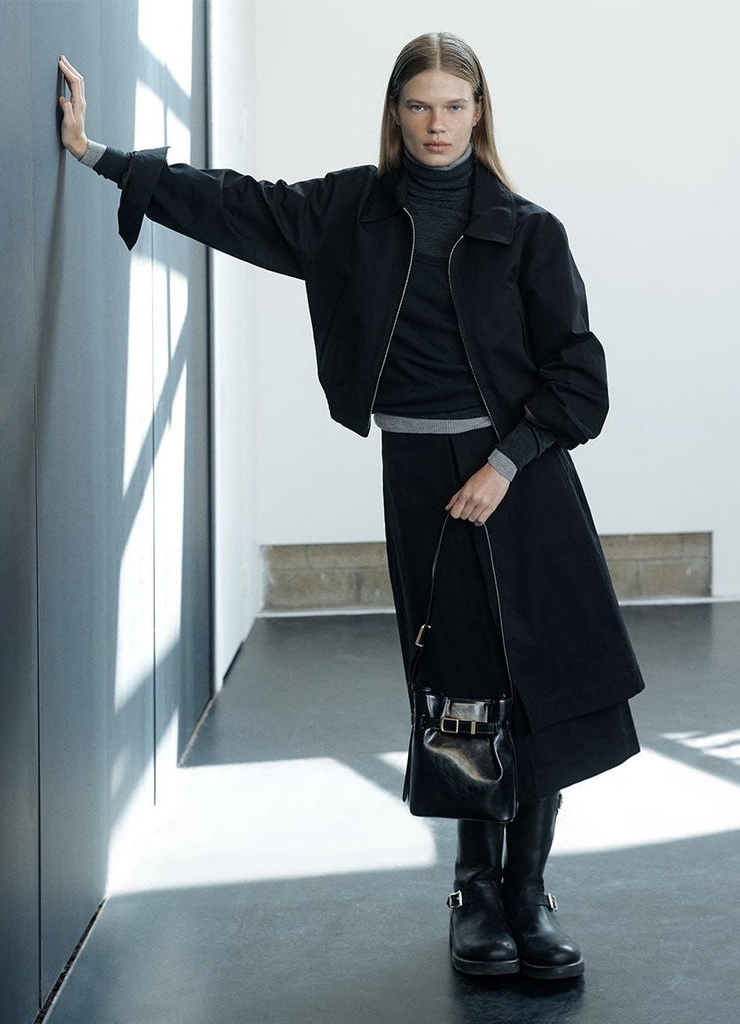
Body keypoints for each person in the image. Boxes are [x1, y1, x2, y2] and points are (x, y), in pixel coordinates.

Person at [58, 33, 644, 982]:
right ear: (395, 113)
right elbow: (233, 203)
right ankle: (477, 896)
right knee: (458, 686)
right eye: (420, 105)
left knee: (541, 683)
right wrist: (99, 157)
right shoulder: (349, 213)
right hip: (421, 479)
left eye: (454, 105)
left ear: (480, 113)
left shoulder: (530, 231)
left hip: (521, 478)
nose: (437, 124)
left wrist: (504, 463)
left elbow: (579, 378)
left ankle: (530, 893)